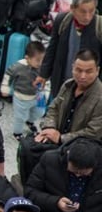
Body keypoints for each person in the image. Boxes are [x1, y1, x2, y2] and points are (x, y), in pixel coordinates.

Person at [21, 50, 102, 182]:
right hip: (57, 138)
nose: (82, 76)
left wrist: (61, 138)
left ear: (97, 71)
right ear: (72, 68)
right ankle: (29, 187)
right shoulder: (68, 85)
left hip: (80, 147)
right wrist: (49, 128)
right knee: (28, 146)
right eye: (78, 70)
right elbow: (53, 108)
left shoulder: (100, 97)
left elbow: (93, 133)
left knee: (47, 157)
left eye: (88, 71)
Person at [39, 0, 102, 99]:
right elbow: (52, 49)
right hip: (62, 81)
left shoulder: (99, 26)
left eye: (91, 11)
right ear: (73, 9)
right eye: (83, 12)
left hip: (89, 88)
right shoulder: (62, 20)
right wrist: (43, 74)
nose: (87, 16)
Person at [2, 40, 47, 139]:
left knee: (40, 112)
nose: (40, 63)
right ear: (27, 58)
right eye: (37, 60)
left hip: (37, 96)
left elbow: (46, 79)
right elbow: (8, 74)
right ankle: (17, 133)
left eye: (42, 60)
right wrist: (5, 88)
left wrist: (46, 92)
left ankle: (30, 121)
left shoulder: (42, 67)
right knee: (20, 117)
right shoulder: (18, 66)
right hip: (21, 97)